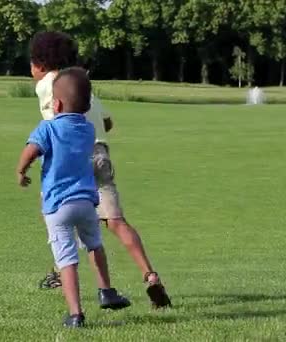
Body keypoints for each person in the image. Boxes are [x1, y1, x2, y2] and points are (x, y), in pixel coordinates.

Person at [29, 31, 172, 308]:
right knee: (115, 221)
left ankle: (63, 274)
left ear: (42, 63)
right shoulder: (81, 87)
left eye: (33, 64)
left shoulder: (48, 83)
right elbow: (107, 123)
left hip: (72, 157)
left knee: (61, 213)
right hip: (100, 153)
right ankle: (151, 276)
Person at [16, 67, 130, 328]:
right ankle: (106, 291)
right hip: (87, 203)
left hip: (57, 205)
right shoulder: (88, 130)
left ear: (55, 103)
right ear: (87, 104)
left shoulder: (47, 128)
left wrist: (21, 171)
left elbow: (31, 150)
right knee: (95, 245)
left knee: (66, 259)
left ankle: (76, 313)